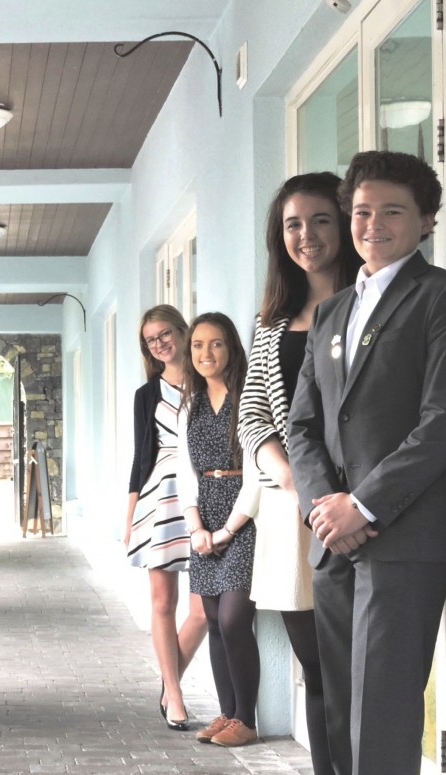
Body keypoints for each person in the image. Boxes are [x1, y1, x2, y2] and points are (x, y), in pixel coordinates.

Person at [288, 150, 446, 775]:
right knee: (340, 706)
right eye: (361, 212)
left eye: (392, 211)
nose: (373, 225)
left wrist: (361, 504)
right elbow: (303, 425)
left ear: (426, 220)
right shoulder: (332, 311)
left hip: (405, 533)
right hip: (334, 537)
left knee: (386, 708)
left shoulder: (443, 295)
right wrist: (324, 507)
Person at [237, 172, 361, 774]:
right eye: (292, 224)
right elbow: (252, 416)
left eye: (320, 220)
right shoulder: (270, 322)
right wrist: (291, 479)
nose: (306, 235)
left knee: (364, 669)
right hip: (294, 512)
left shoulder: (370, 300)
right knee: (316, 667)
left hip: (365, 505)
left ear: (344, 224)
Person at [176, 312, 261, 748]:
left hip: (244, 517)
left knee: (233, 619)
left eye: (216, 344)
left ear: (231, 349)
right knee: (212, 619)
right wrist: (196, 528)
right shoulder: (188, 405)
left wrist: (228, 529)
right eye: (198, 345)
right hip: (202, 518)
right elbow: (183, 472)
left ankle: (246, 719)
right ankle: (227, 715)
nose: (206, 353)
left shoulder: (248, 398)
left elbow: (258, 472)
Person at [121, 304, 207, 732]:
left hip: (205, 496)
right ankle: (174, 694)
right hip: (160, 500)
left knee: (204, 610)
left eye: (164, 334)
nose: (159, 344)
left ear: (181, 330)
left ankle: (168, 680)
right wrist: (131, 516)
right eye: (150, 340)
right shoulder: (146, 394)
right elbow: (141, 458)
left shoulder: (209, 378)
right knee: (161, 603)